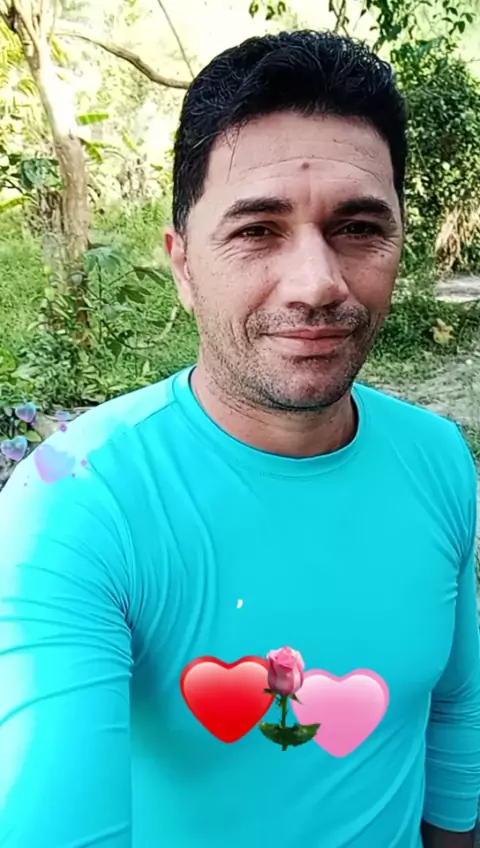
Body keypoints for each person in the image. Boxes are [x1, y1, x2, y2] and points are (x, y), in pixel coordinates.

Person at [0, 29, 479, 848]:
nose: (318, 282)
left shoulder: (436, 459)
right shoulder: (74, 502)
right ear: (183, 264)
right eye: (257, 230)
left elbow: (454, 711)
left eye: (359, 226)